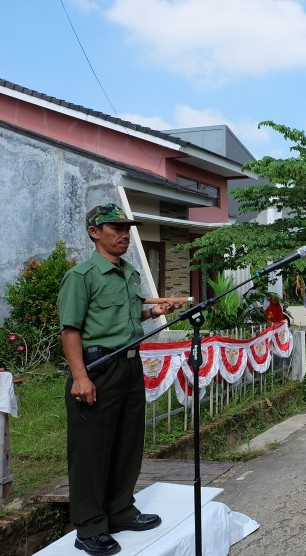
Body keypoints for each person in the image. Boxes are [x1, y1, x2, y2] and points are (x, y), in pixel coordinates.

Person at [58, 204, 181, 555]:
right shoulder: (82, 276)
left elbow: (125, 314)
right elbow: (70, 330)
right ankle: (90, 527)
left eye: (127, 228)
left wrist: (154, 311)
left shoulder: (128, 273)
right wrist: (80, 377)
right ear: (95, 232)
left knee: (128, 443)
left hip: (130, 365)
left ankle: (120, 511)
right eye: (116, 227)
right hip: (98, 368)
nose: (125, 233)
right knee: (91, 451)